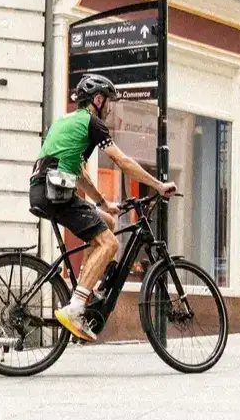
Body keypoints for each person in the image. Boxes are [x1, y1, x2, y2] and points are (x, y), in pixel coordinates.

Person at [30, 73, 176, 342]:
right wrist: (158, 185)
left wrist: (102, 203)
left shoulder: (66, 120)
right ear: (98, 100)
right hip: (57, 192)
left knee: (106, 221)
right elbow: (123, 161)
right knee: (110, 244)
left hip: (43, 189)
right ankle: (76, 306)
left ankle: (86, 286)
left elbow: (80, 174)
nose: (109, 107)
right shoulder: (92, 123)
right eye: (108, 101)